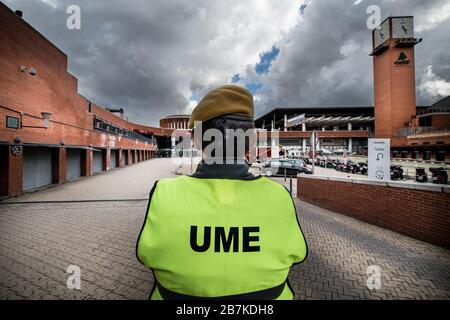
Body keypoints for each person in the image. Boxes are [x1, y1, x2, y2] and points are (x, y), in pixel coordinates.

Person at [136, 85, 307, 300]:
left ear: (195, 140)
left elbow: (146, 256)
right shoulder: (280, 197)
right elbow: (298, 256)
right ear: (252, 141)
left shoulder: (163, 194)